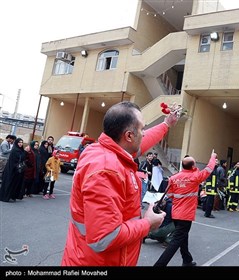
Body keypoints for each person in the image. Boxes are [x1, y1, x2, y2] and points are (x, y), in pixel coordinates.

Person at [61, 101, 178, 266]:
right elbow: (103, 238)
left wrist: (166, 124)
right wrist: (147, 223)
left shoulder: (107, 150)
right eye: (142, 129)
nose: (144, 133)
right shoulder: (106, 170)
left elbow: (142, 142)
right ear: (129, 136)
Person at [154, 150, 217, 267]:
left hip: (175, 212)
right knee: (176, 241)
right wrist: (212, 157)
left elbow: (170, 195)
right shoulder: (195, 177)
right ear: (193, 166)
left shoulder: (174, 178)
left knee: (183, 237)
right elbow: (208, 169)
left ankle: (187, 260)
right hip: (186, 215)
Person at [0, 138, 26, 202]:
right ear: (16, 143)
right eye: (19, 142)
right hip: (11, 169)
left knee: (15, 183)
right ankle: (6, 197)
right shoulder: (14, 150)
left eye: (21, 142)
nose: (20, 144)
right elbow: (12, 161)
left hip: (18, 170)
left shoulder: (21, 150)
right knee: (9, 183)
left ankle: (12, 196)